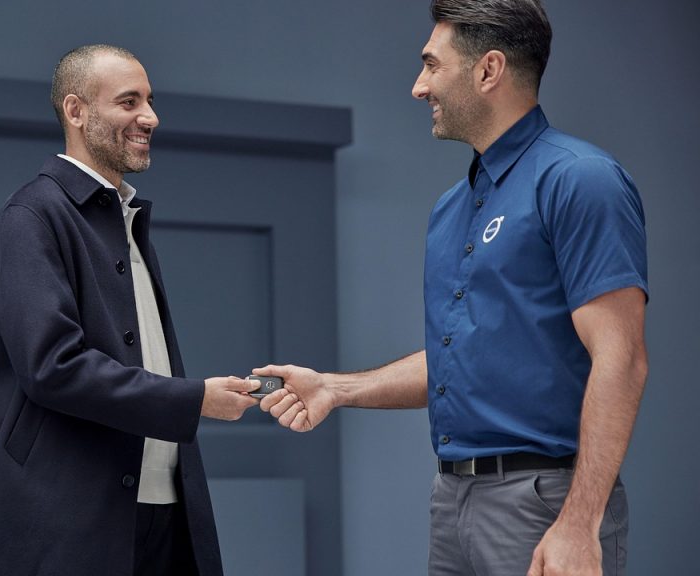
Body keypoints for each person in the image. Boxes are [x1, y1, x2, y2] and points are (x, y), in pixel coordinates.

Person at [255, 1, 648, 575]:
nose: (419, 87)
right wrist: (335, 389)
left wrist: (578, 521)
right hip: (452, 502)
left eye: (431, 66)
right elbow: (460, 358)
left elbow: (623, 357)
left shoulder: (579, 179)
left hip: (545, 502)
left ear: (488, 70)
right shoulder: (450, 209)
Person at [0, 44, 259, 576]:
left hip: (166, 517)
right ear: (76, 112)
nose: (150, 117)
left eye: (149, 100)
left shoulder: (125, 216)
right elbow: (53, 367)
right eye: (129, 102)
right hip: (70, 524)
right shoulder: (31, 217)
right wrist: (196, 400)